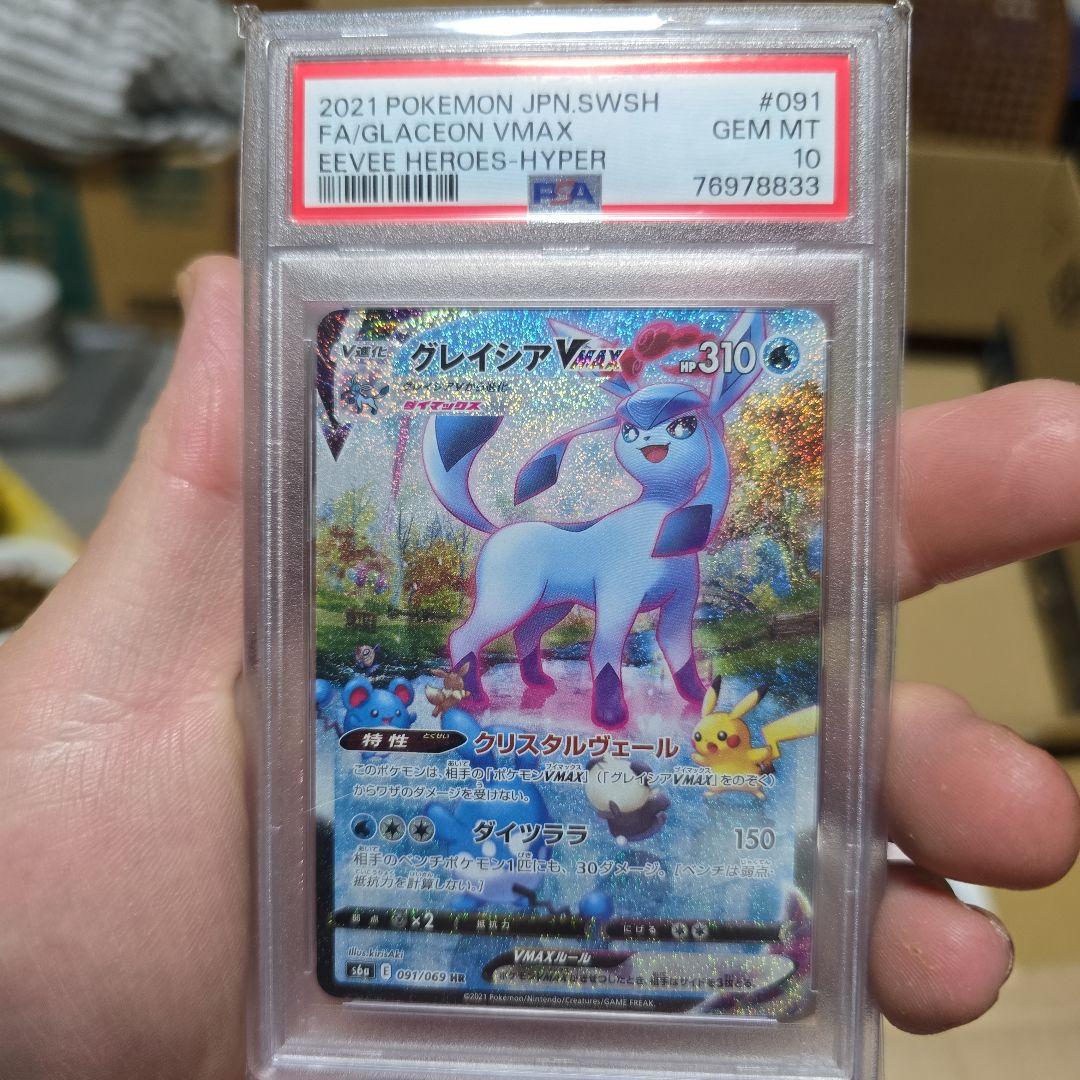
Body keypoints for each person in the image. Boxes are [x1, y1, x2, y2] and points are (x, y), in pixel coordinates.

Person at [1, 256, 1078, 1079]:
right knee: (504, 624)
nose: (655, 448)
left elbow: (673, 619)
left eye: (673, 433)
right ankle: (476, 669)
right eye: (642, 435)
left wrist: (687, 683)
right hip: (302, 1000)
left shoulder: (688, 531)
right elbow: (613, 619)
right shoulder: (581, 537)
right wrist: (606, 681)